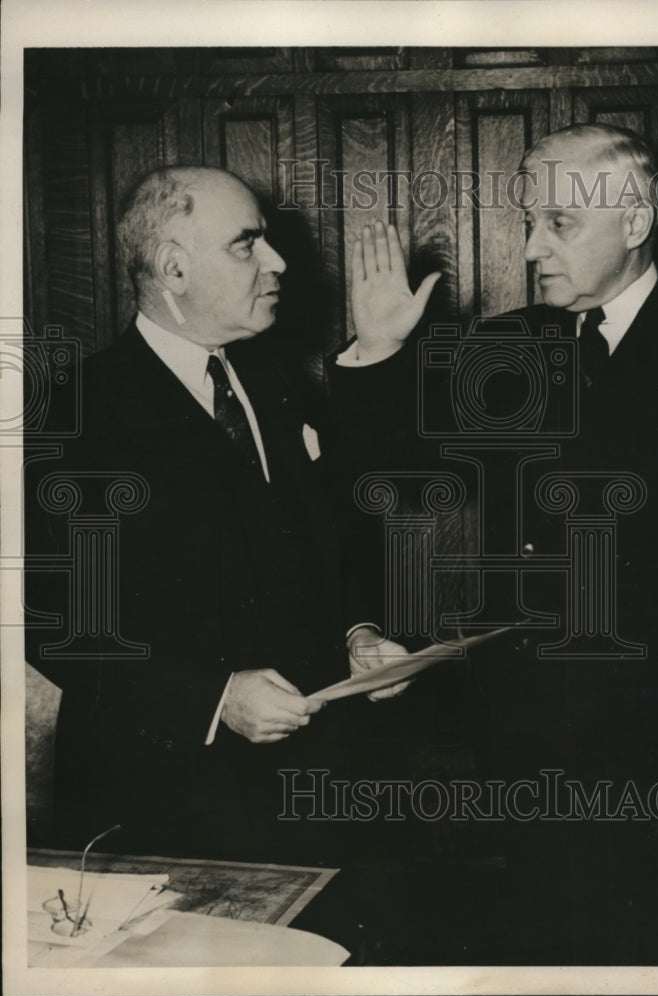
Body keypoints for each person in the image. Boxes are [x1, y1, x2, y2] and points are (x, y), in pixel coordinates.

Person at [327, 124, 658, 963]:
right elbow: (381, 477)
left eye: (558, 225)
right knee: (550, 942)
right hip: (531, 735)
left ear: (635, 222)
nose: (531, 248)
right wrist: (380, 349)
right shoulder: (510, 345)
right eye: (528, 223)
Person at [24, 165, 404, 865]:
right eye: (246, 244)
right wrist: (211, 696)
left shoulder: (275, 383)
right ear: (173, 268)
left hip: (309, 783)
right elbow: (47, 614)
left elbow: (335, 533)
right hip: (160, 794)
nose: (278, 262)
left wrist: (358, 631)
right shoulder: (76, 411)